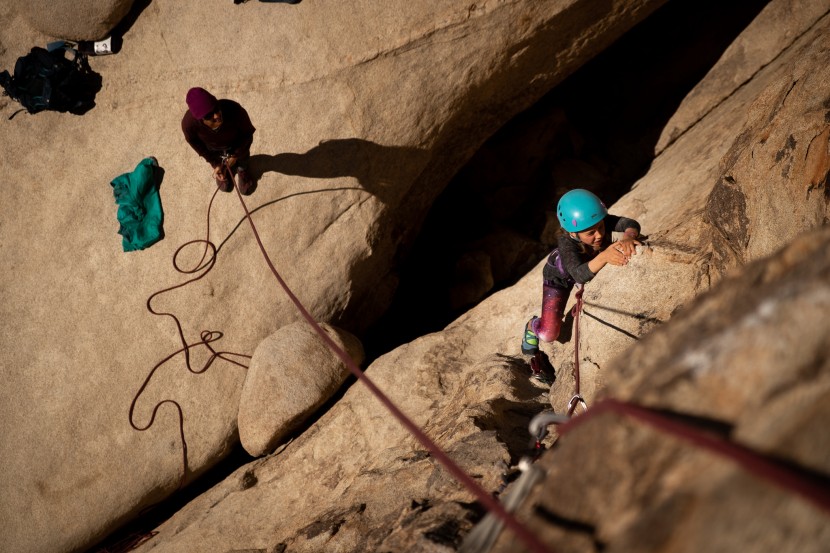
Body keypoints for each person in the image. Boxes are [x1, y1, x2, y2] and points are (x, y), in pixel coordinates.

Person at [521, 188, 642, 367]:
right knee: (549, 334)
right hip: (559, 280)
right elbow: (578, 274)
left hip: (585, 264)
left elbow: (630, 223)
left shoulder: (596, 222)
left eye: (600, 227)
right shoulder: (566, 243)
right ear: (572, 233)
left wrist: (628, 237)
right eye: (590, 233)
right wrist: (604, 256)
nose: (599, 235)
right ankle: (532, 325)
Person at [182, 87, 257, 195]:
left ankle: (242, 169)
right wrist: (215, 163)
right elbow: (196, 145)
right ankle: (224, 170)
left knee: (243, 158)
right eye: (208, 116)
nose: (217, 116)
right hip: (214, 149)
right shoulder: (188, 125)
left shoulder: (234, 109)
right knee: (220, 164)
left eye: (216, 108)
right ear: (200, 120)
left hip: (238, 144)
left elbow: (247, 133)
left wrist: (236, 155)